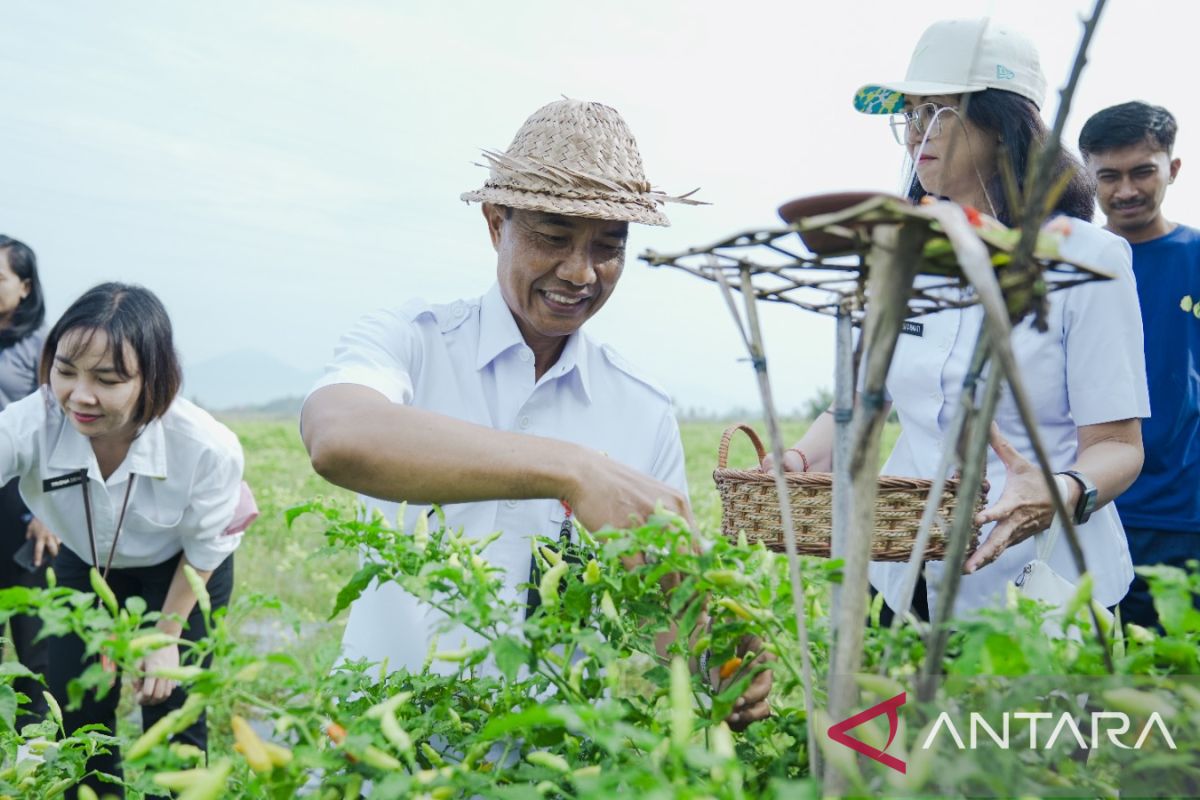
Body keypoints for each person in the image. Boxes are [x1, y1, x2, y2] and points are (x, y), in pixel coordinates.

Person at [302, 98, 768, 728]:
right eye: (552, 237)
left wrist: (718, 661)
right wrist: (572, 470)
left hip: (553, 765)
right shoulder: (413, 343)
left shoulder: (641, 409)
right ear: (497, 223)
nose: (580, 273)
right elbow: (339, 437)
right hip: (382, 743)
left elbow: (663, 612)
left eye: (608, 246)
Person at [777, 18, 1149, 621]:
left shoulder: (1086, 259)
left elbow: (1116, 446)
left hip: (1040, 584)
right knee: (891, 714)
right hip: (904, 571)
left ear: (1003, 127)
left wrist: (1055, 493)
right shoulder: (901, 254)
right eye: (911, 116)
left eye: (938, 113)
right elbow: (864, 400)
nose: (916, 135)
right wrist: (800, 458)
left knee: (1011, 720)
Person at [3, 283, 246, 797]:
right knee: (76, 706)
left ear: (153, 379)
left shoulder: (206, 447)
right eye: (65, 371)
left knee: (172, 711)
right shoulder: (31, 423)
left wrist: (166, 638)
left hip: (183, 572)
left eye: (107, 379)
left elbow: (205, 548)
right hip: (86, 562)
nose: (79, 395)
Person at [1079, 102, 1200, 630]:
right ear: (1088, 177)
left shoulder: (1194, 257)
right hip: (1083, 503)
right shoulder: (1069, 264)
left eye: (1142, 171)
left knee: (1173, 682)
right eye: (1109, 175)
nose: (1125, 189)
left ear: (1172, 168)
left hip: (1182, 515)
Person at [0, 235, 52, 725]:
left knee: (34, 639)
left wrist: (47, 512)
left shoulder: (44, 347)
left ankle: (36, 749)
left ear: (24, 287)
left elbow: (61, 430)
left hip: (25, 505)